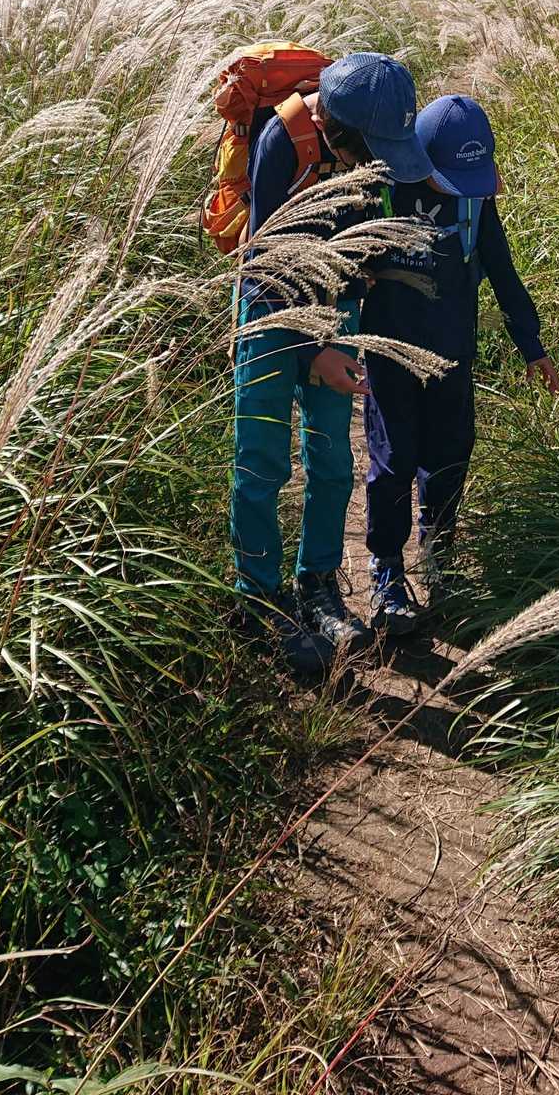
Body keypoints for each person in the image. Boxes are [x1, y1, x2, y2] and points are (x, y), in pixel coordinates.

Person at [232, 50, 432, 675]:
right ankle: (258, 598)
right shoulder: (283, 139)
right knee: (262, 458)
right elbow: (266, 260)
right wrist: (312, 350)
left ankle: (316, 584)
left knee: (332, 460)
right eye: (366, 150)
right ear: (334, 129)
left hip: (337, 307)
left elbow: (362, 244)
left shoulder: (375, 149)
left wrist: (342, 332)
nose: (376, 163)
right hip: (270, 307)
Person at [361, 93, 559, 637]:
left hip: (453, 353)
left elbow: (502, 270)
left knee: (450, 455)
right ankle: (386, 569)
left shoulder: (475, 203)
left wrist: (531, 345)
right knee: (393, 459)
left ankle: (439, 552)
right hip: (389, 354)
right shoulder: (383, 191)